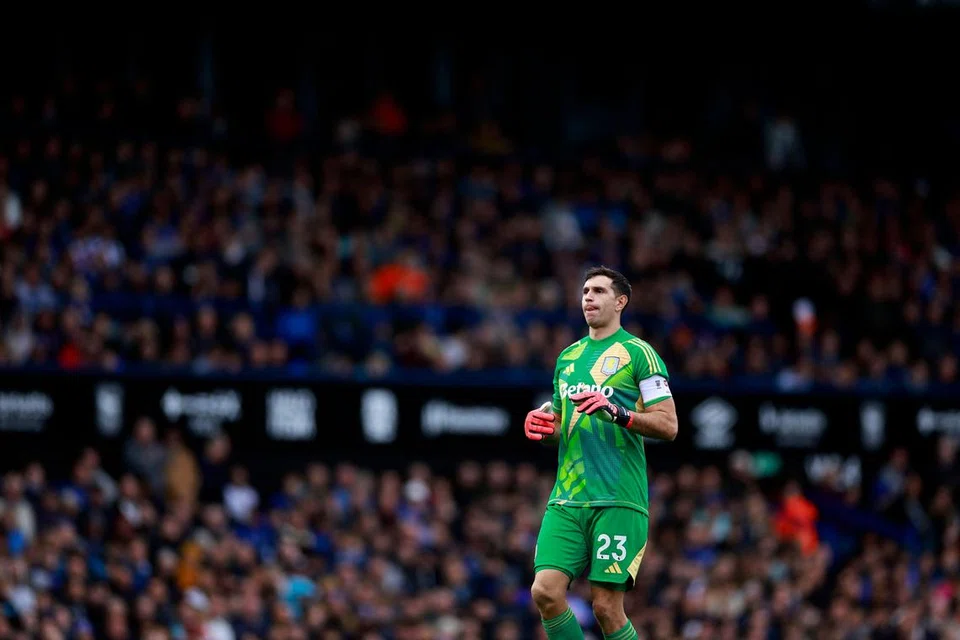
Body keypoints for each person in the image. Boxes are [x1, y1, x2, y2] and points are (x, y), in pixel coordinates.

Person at [524, 266, 679, 640]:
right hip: (568, 497)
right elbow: (563, 425)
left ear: (620, 301)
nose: (588, 298)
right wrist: (546, 428)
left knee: (606, 609)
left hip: (618, 498)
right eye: (584, 292)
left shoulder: (639, 353)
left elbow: (668, 425)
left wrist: (618, 413)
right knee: (544, 592)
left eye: (598, 291)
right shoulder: (568, 357)